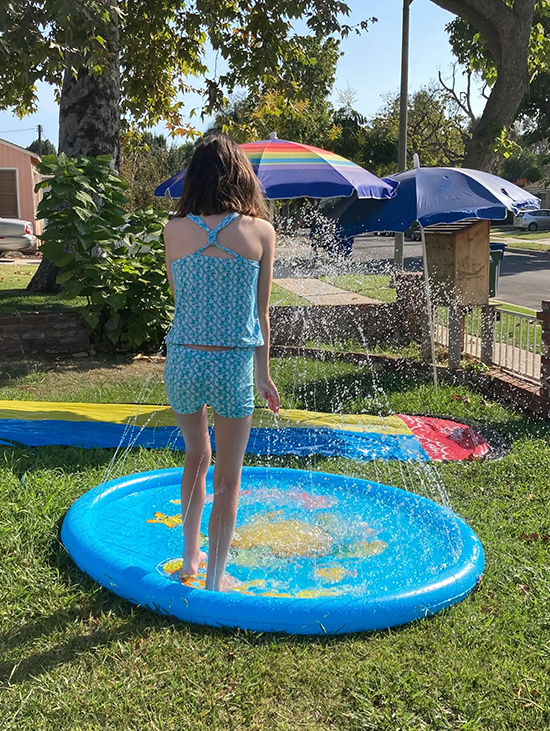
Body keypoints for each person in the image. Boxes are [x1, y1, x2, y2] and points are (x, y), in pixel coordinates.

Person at [163, 135, 280, 592]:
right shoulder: (260, 232)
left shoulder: (175, 230)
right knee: (229, 480)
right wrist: (263, 374)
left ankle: (189, 559)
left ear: (195, 177)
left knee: (196, 458)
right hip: (232, 367)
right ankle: (214, 581)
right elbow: (261, 312)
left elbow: (181, 298)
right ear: (241, 175)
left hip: (184, 361)